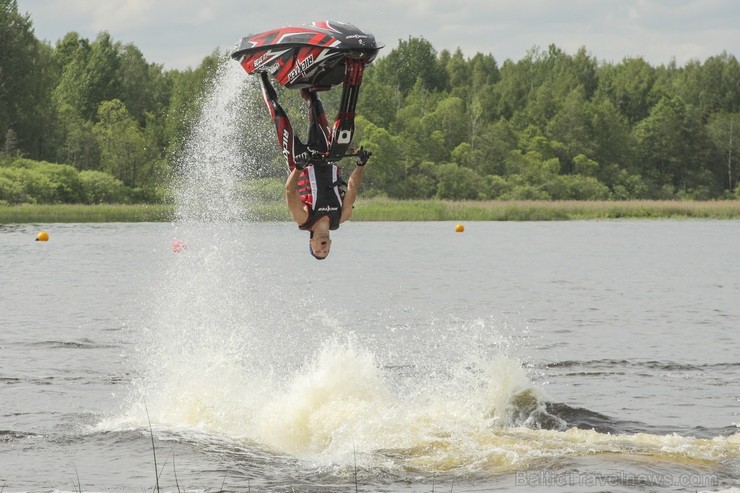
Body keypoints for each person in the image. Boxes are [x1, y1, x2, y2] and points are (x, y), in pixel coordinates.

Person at [258, 71, 371, 259]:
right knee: (315, 103)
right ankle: (305, 73)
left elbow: (289, 190)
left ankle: (261, 74)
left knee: (278, 114)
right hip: (324, 155)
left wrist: (300, 167)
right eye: (325, 251)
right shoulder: (341, 217)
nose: (323, 248)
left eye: (318, 250)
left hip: (299, 161)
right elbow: (352, 188)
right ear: (331, 244)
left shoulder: (304, 219)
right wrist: (361, 165)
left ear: (311, 242)